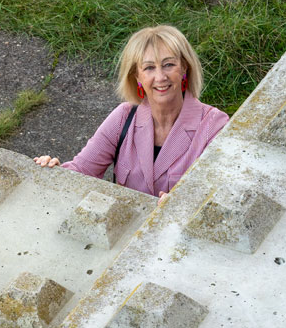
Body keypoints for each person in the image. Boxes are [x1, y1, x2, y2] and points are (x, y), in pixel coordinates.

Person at [34, 25, 229, 198]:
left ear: (184, 67)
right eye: (149, 68)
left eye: (169, 65)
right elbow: (83, 170)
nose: (160, 77)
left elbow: (219, 197)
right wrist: (55, 171)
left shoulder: (214, 125)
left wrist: (182, 206)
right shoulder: (124, 116)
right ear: (137, 76)